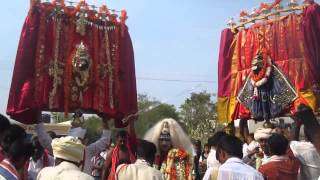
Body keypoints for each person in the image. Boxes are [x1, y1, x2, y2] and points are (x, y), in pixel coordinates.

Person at [35, 112, 111, 174]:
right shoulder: (62, 148)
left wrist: (38, 117)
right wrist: (104, 120)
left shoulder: (62, 148)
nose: (75, 143)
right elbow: (105, 140)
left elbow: (44, 139)